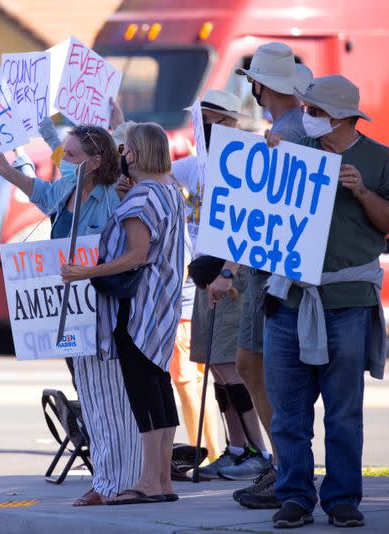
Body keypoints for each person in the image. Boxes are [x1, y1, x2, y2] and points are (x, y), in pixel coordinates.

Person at [263, 75, 389, 529]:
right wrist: (262, 160)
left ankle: (343, 498)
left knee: (343, 412)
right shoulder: (294, 154)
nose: (303, 115)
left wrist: (363, 192)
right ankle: (293, 497)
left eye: (312, 110)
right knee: (288, 414)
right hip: (288, 301)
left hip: (347, 304)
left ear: (339, 116)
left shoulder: (380, 159)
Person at [0, 120, 142, 506]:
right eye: (66, 154)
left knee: (113, 398)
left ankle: (124, 480)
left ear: (95, 161)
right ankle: (105, 479)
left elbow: (127, 250)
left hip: (103, 308)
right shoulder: (67, 186)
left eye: (72, 155)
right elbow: (41, 193)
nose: (64, 160)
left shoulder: (112, 196)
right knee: (89, 395)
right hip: (69, 311)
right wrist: (5, 170)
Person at [61, 122, 185, 504]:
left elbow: (136, 254)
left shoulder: (141, 200)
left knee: (144, 397)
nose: (121, 154)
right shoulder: (169, 191)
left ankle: (149, 480)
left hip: (136, 312)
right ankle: (162, 480)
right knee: (160, 392)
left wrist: (86, 271)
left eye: (125, 148)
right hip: (163, 307)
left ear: (136, 153)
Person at [222, 42, 313, 507]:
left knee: (260, 369)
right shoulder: (293, 127)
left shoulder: (290, 133)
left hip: (275, 275)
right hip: (271, 270)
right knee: (253, 367)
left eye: (253, 81)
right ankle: (284, 468)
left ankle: (286, 470)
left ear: (260, 85)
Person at [175, 90, 272, 482]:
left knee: (235, 367)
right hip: (204, 274)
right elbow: (156, 172)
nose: (204, 127)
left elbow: (250, 222)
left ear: (231, 123)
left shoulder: (245, 162)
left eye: (212, 120)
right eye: (201, 120)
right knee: (216, 365)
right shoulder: (197, 164)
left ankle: (258, 450)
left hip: (230, 274)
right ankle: (234, 447)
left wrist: (228, 272)